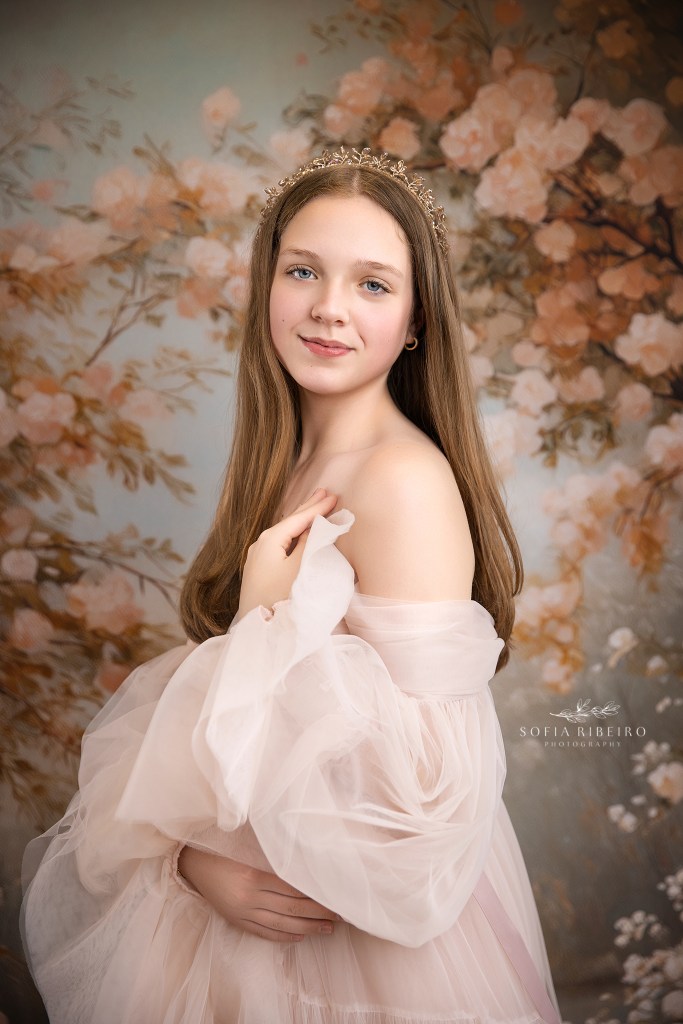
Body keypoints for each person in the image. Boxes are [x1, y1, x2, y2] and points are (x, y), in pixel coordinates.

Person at [21, 148, 561, 1024]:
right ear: (266, 284)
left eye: (373, 285)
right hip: (247, 906)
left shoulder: (402, 483)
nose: (327, 308)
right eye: (303, 269)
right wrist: (191, 859)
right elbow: (247, 741)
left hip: (346, 951)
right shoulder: (292, 457)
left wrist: (268, 620)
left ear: (418, 320)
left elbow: (426, 802)